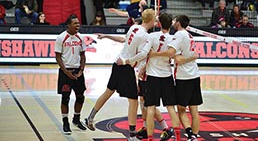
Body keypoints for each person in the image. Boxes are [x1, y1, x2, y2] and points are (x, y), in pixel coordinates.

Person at [84, 9, 156, 141]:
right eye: (155, 19)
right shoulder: (145, 36)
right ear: (151, 20)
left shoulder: (134, 27)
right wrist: (129, 61)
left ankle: (90, 118)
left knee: (108, 92)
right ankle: (132, 135)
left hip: (117, 65)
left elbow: (124, 40)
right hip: (125, 67)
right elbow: (142, 54)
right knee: (133, 101)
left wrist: (107, 36)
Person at [117, 12, 183, 141]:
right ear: (171, 25)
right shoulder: (174, 39)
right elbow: (175, 57)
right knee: (170, 108)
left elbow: (144, 53)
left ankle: (151, 138)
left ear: (158, 23)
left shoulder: (152, 36)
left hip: (152, 76)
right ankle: (178, 137)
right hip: (167, 76)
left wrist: (129, 61)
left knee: (150, 108)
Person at [150, 15, 203, 141]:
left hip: (184, 77)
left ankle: (190, 134)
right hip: (195, 75)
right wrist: (194, 57)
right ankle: (194, 137)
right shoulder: (189, 35)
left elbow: (174, 56)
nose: (173, 23)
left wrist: (154, 54)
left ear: (178, 23)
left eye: (175, 21)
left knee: (181, 110)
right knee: (194, 110)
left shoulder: (179, 35)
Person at [54, 14, 87, 135]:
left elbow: (83, 55)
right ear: (69, 25)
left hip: (77, 71)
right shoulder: (61, 38)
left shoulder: (80, 38)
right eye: (75, 23)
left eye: (78, 23)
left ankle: (76, 119)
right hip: (65, 73)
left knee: (80, 97)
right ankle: (65, 122)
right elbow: (58, 57)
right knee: (65, 98)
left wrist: (81, 70)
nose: (78, 25)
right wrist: (66, 71)